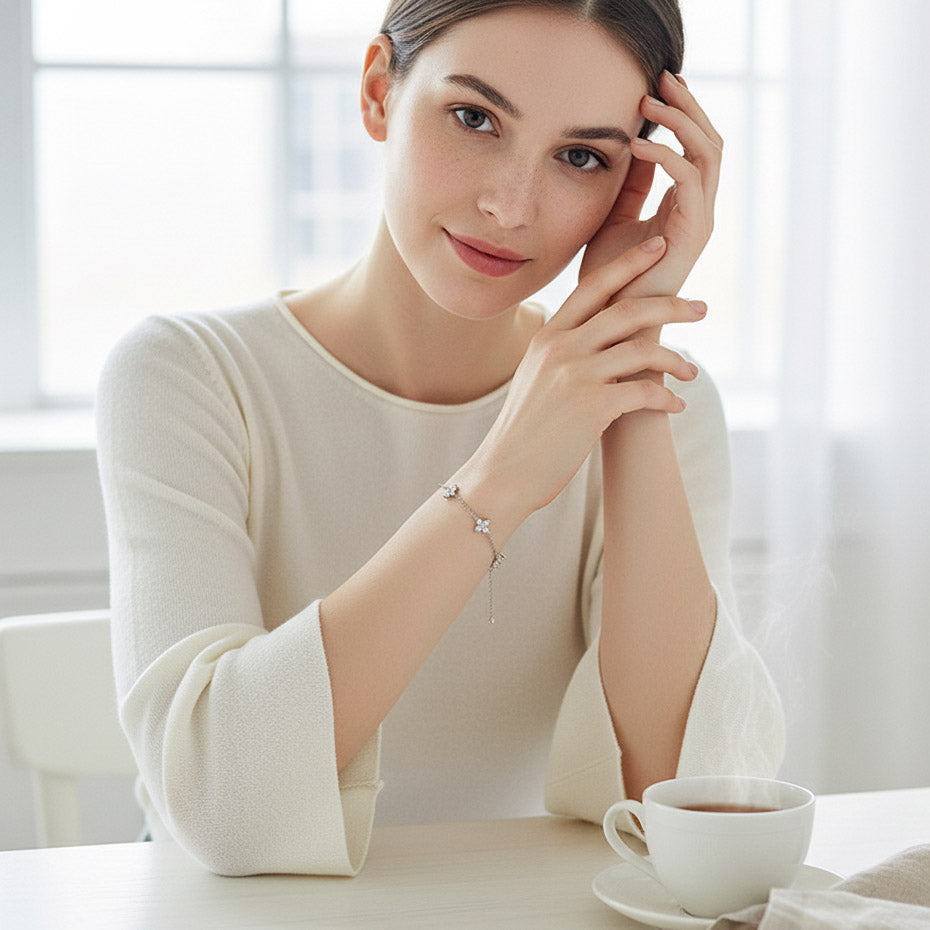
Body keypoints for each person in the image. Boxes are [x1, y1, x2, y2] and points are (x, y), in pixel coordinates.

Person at [96, 0, 784, 877]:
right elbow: (225, 806)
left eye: (581, 157)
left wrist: (630, 334)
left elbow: (685, 796)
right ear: (379, 91)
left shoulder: (658, 402)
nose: (510, 206)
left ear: (632, 184)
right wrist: (501, 476)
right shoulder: (187, 376)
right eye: (475, 118)